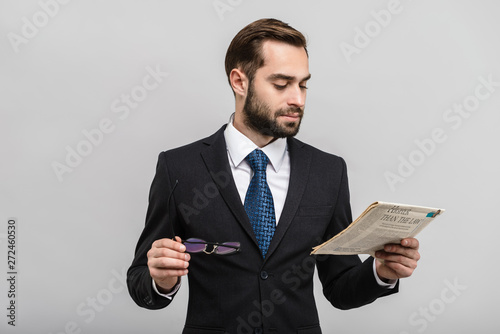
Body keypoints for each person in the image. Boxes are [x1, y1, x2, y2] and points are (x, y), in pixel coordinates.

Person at [127, 18, 420, 334]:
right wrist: (160, 280)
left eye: (303, 83)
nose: (298, 99)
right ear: (240, 82)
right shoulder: (180, 167)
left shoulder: (328, 172)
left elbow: (340, 288)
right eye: (281, 84)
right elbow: (141, 283)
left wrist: (382, 272)